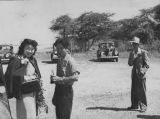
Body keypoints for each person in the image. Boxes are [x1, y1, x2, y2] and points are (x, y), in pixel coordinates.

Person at [5, 39, 47, 119]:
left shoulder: (33, 59)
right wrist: (22, 67)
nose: (30, 51)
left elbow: (37, 74)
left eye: (32, 49)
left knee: (32, 114)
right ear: (22, 48)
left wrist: (36, 78)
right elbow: (10, 76)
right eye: (27, 48)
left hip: (33, 93)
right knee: (25, 114)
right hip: (24, 93)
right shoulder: (16, 59)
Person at [50, 39, 80, 119]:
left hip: (66, 92)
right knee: (59, 116)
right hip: (59, 90)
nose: (58, 51)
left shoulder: (70, 60)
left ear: (67, 48)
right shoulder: (60, 59)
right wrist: (54, 78)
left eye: (61, 48)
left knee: (64, 116)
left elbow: (75, 77)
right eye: (57, 49)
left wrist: (59, 79)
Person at [127, 37, 149, 112]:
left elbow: (147, 65)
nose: (133, 45)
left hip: (141, 74)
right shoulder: (131, 53)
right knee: (134, 90)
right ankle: (134, 105)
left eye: (135, 44)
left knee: (142, 91)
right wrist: (132, 58)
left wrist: (143, 71)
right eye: (133, 44)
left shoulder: (143, 52)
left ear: (138, 44)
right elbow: (129, 64)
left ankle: (143, 107)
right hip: (134, 74)